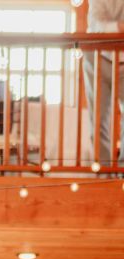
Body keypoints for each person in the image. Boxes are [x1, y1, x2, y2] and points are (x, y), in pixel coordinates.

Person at [84, 1, 124, 166]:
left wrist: (114, 27)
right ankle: (103, 172)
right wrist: (119, 27)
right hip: (97, 57)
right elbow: (96, 25)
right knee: (98, 120)